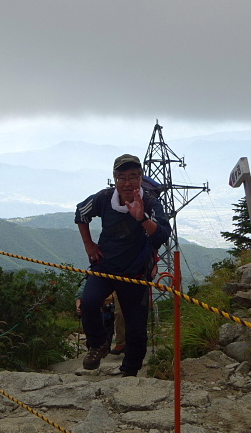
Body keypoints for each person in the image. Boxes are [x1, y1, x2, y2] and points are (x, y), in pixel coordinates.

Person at [75, 154, 171, 376]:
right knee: (88, 303)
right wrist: (89, 245)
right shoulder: (104, 198)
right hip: (105, 265)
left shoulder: (150, 202)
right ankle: (98, 344)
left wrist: (141, 218)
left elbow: (162, 235)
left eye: (133, 177)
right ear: (114, 179)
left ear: (140, 178)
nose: (127, 182)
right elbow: (81, 213)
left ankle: (130, 371)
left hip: (136, 271)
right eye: (122, 177)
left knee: (136, 326)